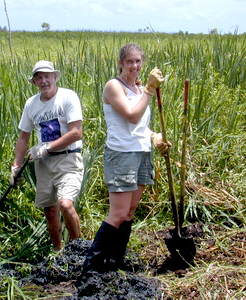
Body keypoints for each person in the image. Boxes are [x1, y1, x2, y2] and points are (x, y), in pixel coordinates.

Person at [82, 43, 171, 274]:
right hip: (121, 154)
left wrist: (156, 137)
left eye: (138, 61)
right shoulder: (114, 87)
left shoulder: (140, 90)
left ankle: (114, 262)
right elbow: (131, 116)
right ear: (121, 63)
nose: (134, 66)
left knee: (130, 212)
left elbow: (141, 124)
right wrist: (150, 90)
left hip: (141, 152)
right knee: (119, 213)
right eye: (129, 61)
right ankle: (92, 267)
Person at [9, 60, 84, 252]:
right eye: (39, 77)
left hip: (68, 158)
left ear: (55, 77)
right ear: (34, 82)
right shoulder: (31, 104)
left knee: (65, 205)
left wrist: (46, 148)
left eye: (47, 76)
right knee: (50, 211)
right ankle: (57, 252)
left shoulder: (68, 97)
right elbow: (24, 136)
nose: (44, 81)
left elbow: (76, 133)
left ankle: (78, 252)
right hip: (43, 164)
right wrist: (16, 166)